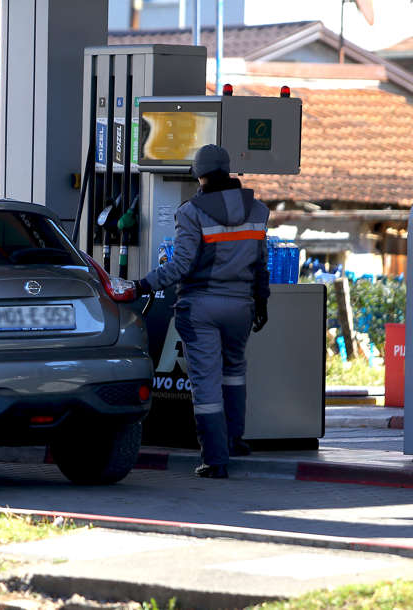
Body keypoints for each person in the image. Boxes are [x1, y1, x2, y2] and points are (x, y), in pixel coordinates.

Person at [138, 144, 270, 479]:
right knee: (234, 370)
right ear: (228, 171)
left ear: (200, 175)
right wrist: (262, 301)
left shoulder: (191, 212)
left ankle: (215, 459)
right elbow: (261, 264)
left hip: (201, 307)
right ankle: (234, 440)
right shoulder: (257, 210)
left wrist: (143, 285)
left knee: (206, 382)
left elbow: (180, 265)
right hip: (242, 305)